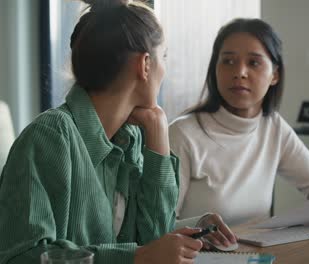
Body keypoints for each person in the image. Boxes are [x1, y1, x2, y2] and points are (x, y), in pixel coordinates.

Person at [0, 1, 212, 263]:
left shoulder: (133, 138)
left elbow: (154, 239)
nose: (165, 69)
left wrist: (158, 137)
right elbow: (23, 256)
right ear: (145, 64)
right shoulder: (49, 137)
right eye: (164, 57)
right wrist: (136, 257)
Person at [169, 18, 309, 246]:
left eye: (253, 63)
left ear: (275, 75)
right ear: (215, 70)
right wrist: (200, 226)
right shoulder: (182, 134)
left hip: (256, 256)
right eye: (228, 61)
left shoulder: (273, 127)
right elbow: (157, 224)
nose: (240, 72)